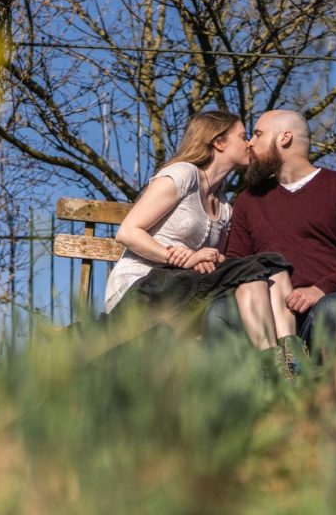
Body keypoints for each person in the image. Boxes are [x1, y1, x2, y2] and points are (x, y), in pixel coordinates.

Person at [103, 110, 298, 374]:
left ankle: (284, 367)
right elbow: (128, 232)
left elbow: (204, 266)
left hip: (185, 291)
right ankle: (277, 365)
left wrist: (209, 259)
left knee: (264, 269)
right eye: (243, 136)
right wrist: (176, 255)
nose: (250, 143)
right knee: (260, 265)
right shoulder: (183, 175)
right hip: (141, 288)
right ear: (218, 142)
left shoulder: (225, 207)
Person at [203, 109, 336, 363]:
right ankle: (255, 390)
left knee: (335, 308)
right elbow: (237, 262)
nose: (250, 143)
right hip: (267, 314)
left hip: (326, 302)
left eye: (258, 134)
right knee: (219, 312)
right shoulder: (249, 200)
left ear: (284, 138)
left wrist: (320, 290)